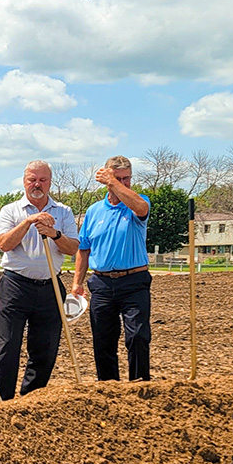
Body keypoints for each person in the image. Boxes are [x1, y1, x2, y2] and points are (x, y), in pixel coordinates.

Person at [0, 160, 80, 399]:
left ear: (50, 182)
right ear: (24, 181)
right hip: (16, 286)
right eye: (32, 179)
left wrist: (55, 234)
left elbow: (72, 248)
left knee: (45, 349)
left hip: (50, 286)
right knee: (6, 347)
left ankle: (32, 399)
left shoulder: (63, 212)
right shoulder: (11, 210)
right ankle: (2, 399)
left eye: (42, 180)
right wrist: (28, 222)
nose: (37, 184)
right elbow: (4, 244)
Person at [71, 155, 152, 381]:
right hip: (102, 283)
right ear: (106, 178)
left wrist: (112, 182)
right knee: (103, 340)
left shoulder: (138, 202)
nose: (123, 183)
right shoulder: (94, 211)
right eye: (118, 178)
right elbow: (84, 248)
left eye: (127, 178)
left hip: (134, 281)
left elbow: (141, 208)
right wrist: (77, 282)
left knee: (137, 336)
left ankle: (139, 385)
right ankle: (108, 387)